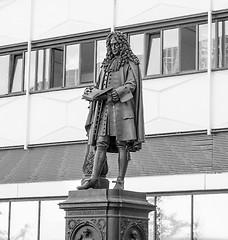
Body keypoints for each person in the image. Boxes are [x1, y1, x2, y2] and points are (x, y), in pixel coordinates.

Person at [77, 30, 145, 190]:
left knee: (122, 144)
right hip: (105, 111)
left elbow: (131, 85)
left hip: (123, 110)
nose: (113, 47)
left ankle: (120, 181)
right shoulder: (106, 65)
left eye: (116, 44)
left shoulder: (131, 63)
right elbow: (98, 85)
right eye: (111, 44)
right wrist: (92, 92)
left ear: (122, 44)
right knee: (101, 143)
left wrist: (117, 92)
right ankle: (94, 178)